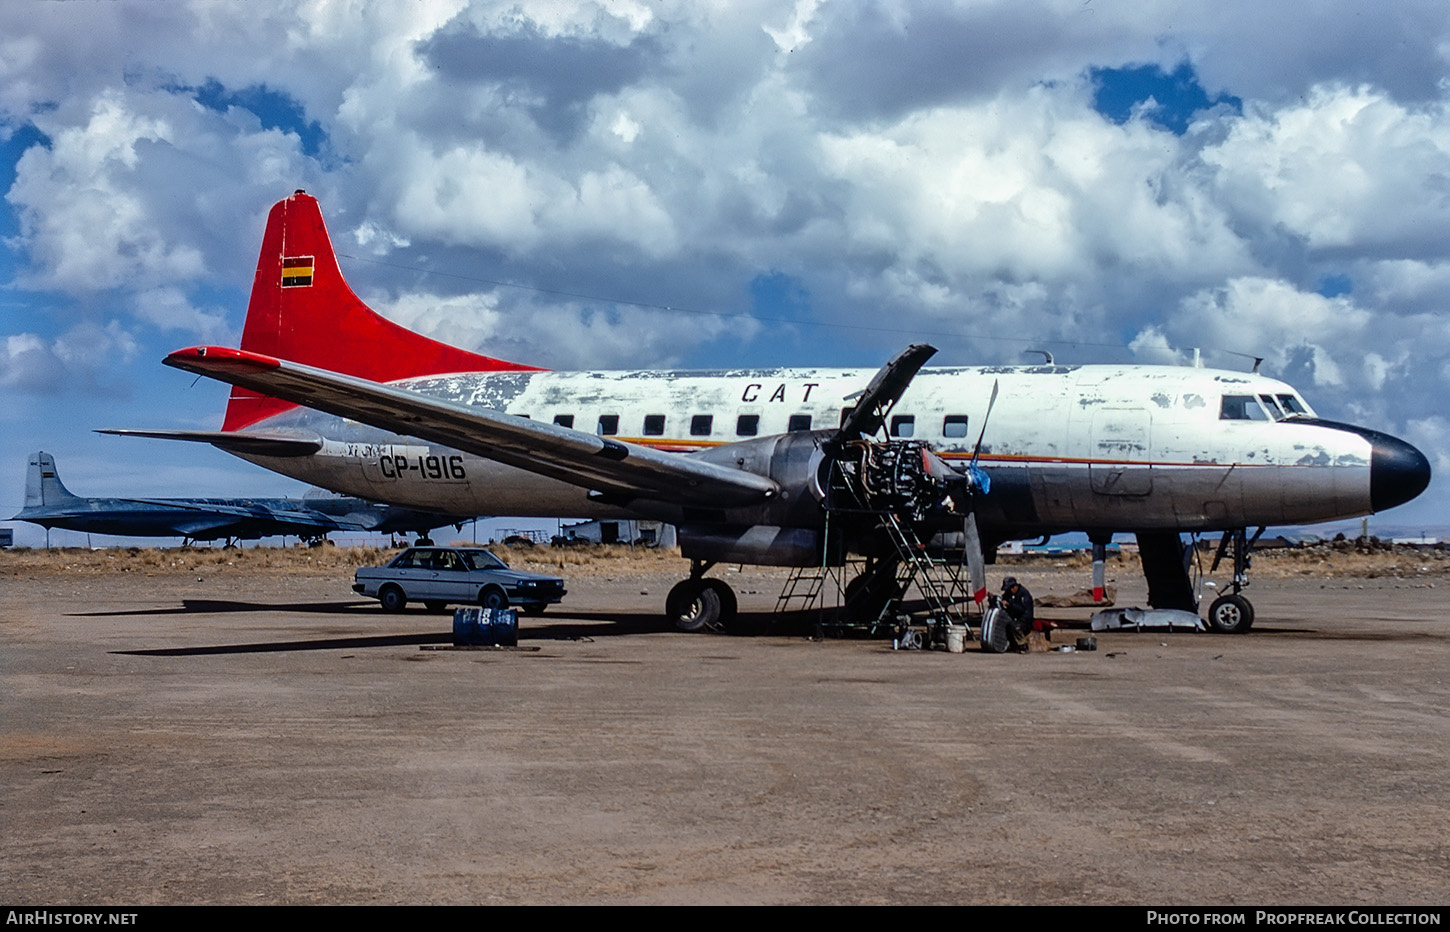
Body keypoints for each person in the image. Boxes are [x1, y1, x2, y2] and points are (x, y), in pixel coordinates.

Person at [1000, 577, 1035, 650]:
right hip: (1015, 617)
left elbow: (1022, 609)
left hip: (1025, 619)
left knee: (1015, 626)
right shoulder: (1009, 593)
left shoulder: (1024, 594)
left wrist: (1009, 604)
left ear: (1015, 587)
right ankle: (1012, 645)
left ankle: (1022, 644)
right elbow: (1003, 598)